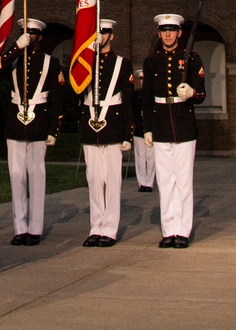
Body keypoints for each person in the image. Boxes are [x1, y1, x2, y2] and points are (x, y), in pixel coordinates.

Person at [0, 18, 65, 246]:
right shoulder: (15, 59)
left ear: (40, 36)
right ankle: (20, 227)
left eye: (33, 33)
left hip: (39, 122)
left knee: (36, 177)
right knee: (16, 177)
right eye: (26, 32)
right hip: (15, 123)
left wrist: (54, 129)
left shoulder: (50, 62)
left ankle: (35, 228)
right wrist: (16, 47)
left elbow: (57, 98)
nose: (30, 37)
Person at [141, 13, 205, 248]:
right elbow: (146, 97)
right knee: (165, 181)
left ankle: (183, 231)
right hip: (160, 124)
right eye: (164, 30)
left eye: (172, 30)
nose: (168, 34)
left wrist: (192, 93)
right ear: (159, 34)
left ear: (179, 33)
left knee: (183, 181)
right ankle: (169, 230)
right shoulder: (151, 61)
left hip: (184, 123)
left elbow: (202, 93)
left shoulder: (192, 58)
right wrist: (147, 128)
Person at [79, 19, 134, 246]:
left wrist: (128, 134)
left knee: (111, 180)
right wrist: (87, 56)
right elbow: (77, 90)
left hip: (112, 123)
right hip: (91, 123)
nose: (101, 36)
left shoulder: (122, 63)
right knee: (93, 178)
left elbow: (129, 100)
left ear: (111, 35)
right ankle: (96, 226)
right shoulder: (84, 63)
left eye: (104, 33)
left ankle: (109, 229)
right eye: (97, 33)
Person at [131, 67, 154, 191]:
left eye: (144, 79)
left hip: (150, 129)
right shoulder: (136, 95)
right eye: (140, 79)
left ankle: (149, 183)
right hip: (139, 129)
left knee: (151, 157)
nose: (142, 81)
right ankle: (142, 183)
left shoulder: (153, 95)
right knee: (140, 157)